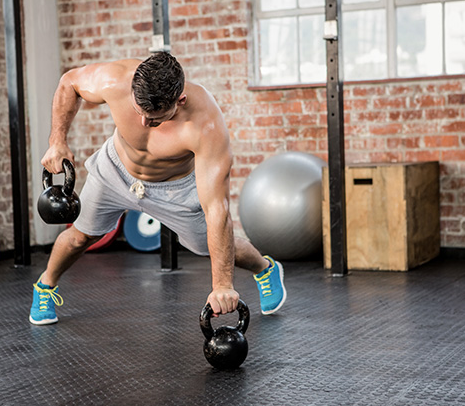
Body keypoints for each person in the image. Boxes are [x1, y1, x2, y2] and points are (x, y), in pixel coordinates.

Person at [29, 52, 286, 325]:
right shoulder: (115, 80)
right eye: (139, 112)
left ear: (181, 100)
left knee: (208, 245)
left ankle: (265, 269)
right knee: (80, 236)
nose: (144, 123)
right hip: (115, 169)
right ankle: (44, 287)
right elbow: (69, 82)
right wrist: (57, 140)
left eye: (155, 119)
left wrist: (222, 284)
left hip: (174, 187)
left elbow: (216, 209)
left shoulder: (206, 125)